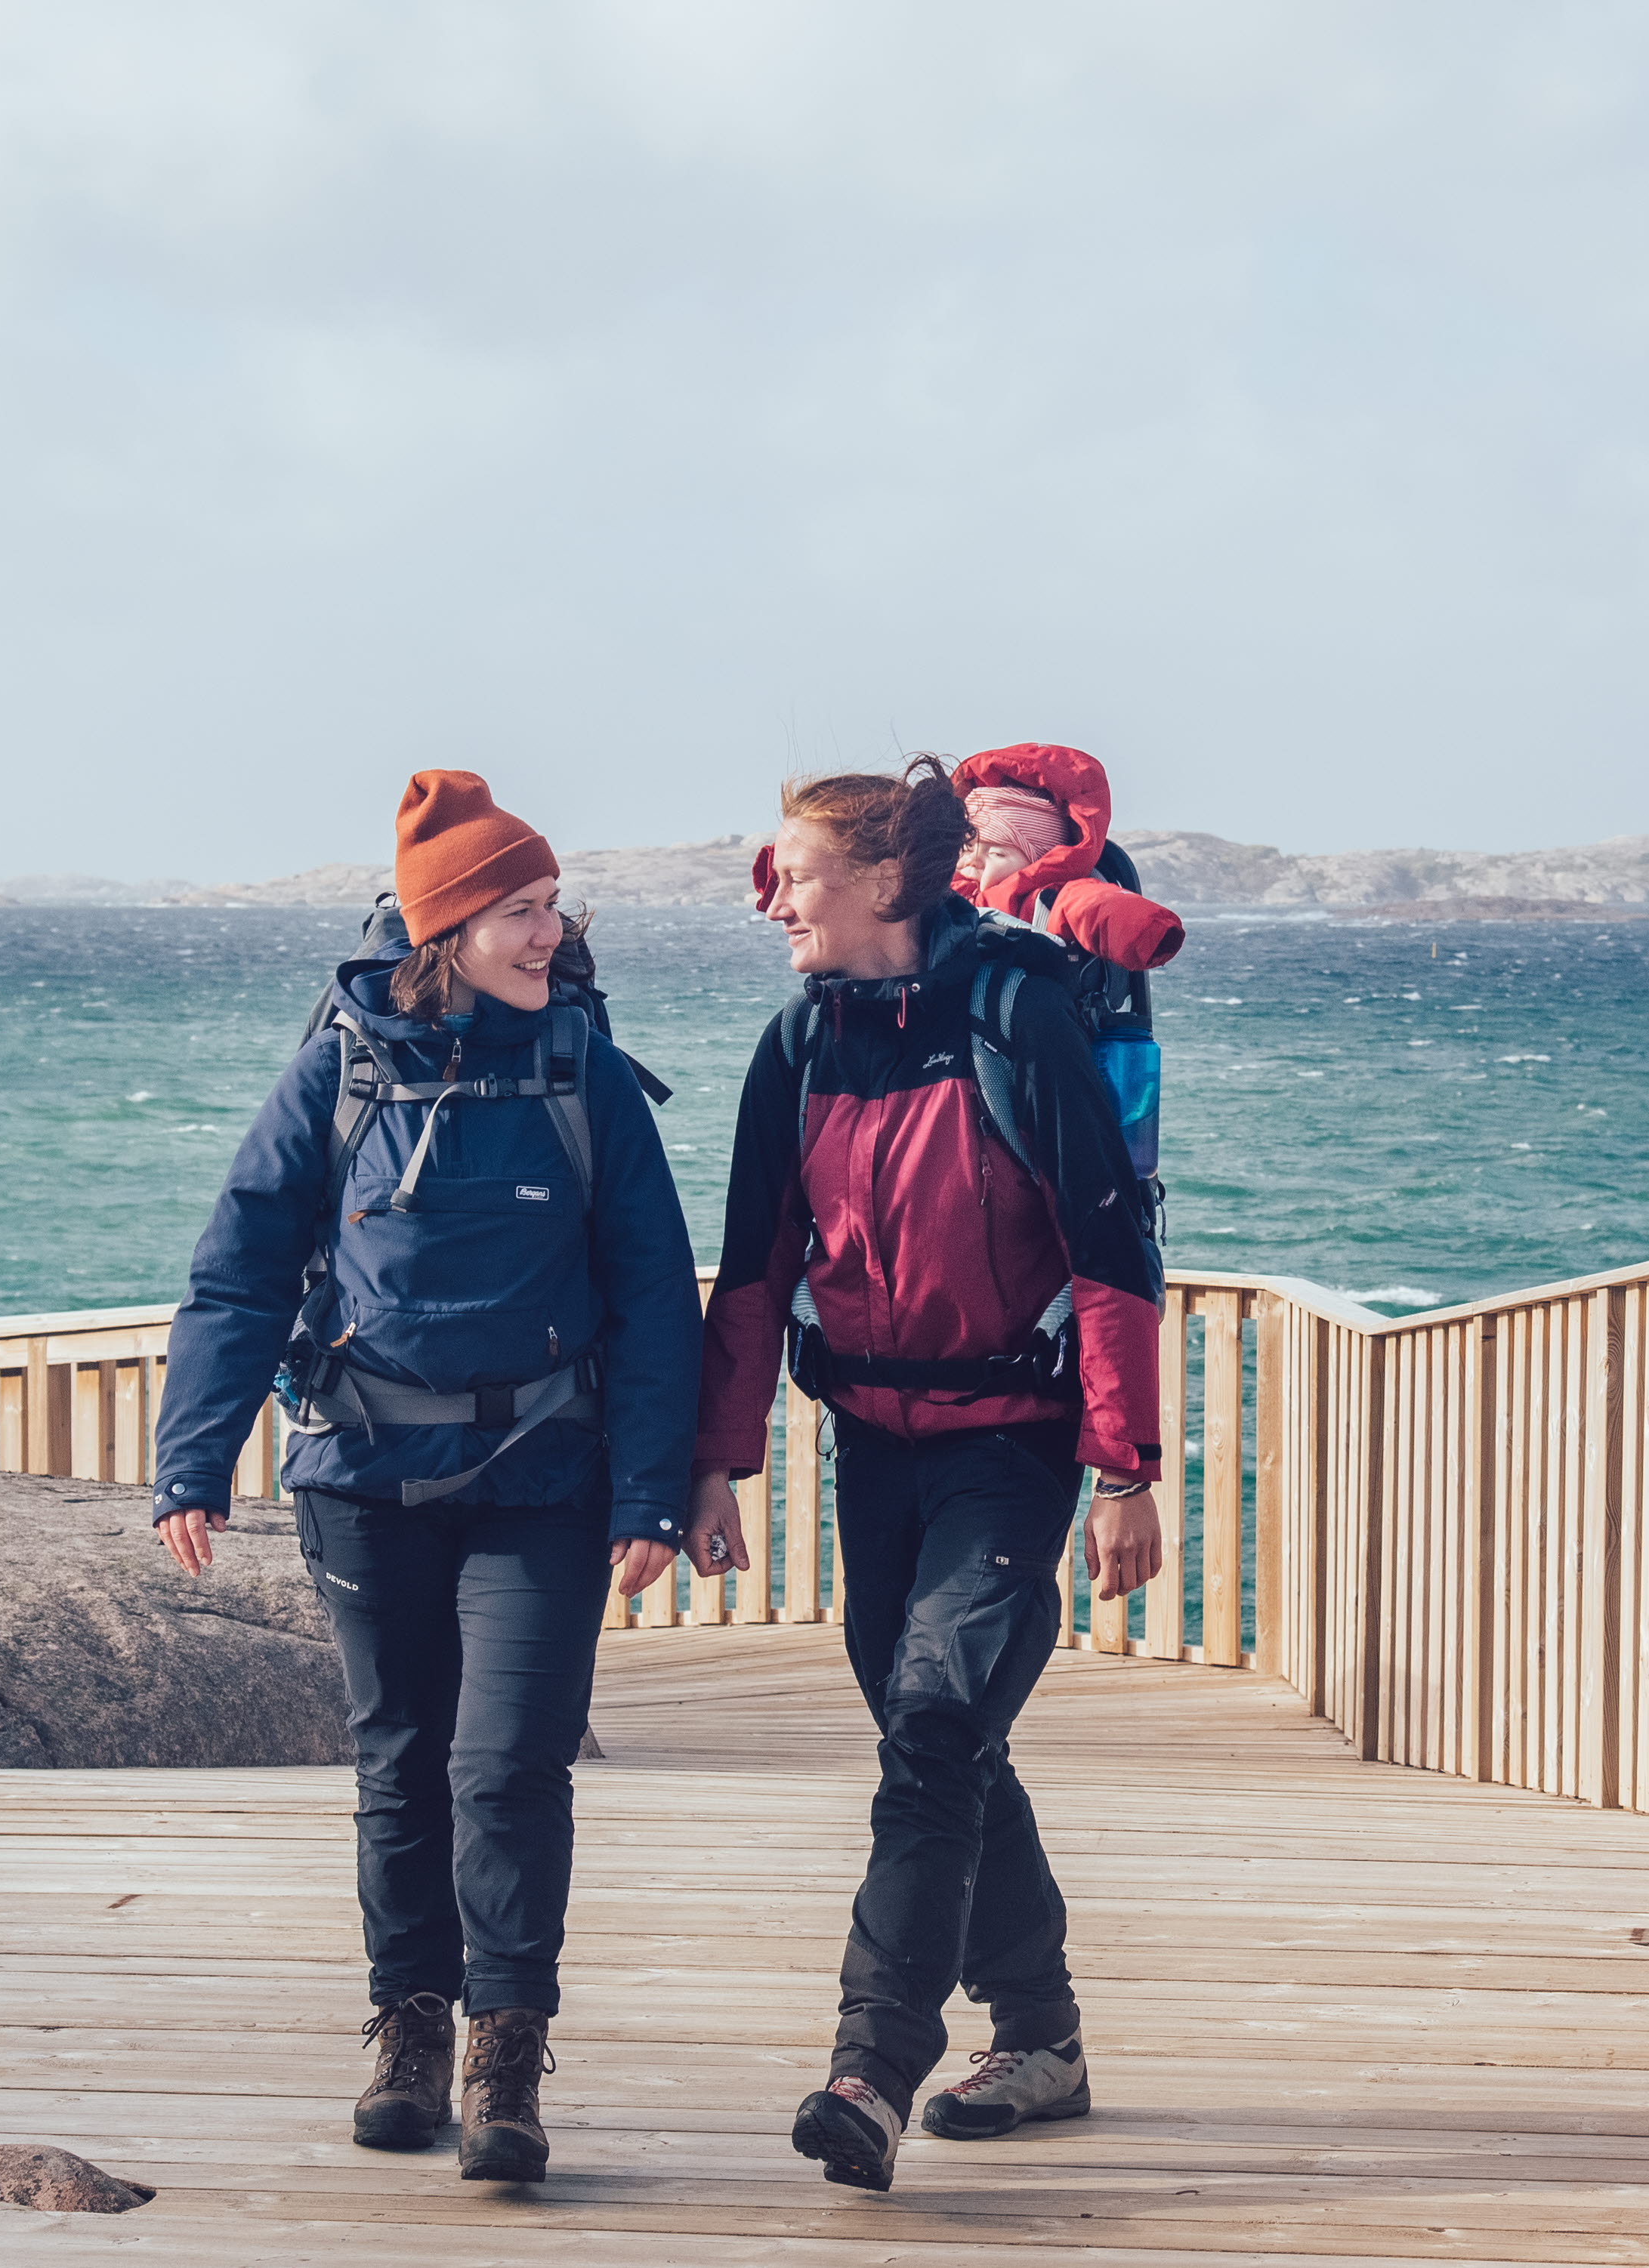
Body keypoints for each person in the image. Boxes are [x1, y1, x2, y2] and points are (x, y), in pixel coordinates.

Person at [147, 770, 732, 2185]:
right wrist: (194, 1457)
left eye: (549, 907)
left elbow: (655, 1288)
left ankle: (504, 2057)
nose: (551, 933)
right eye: (520, 910)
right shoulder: (340, 1067)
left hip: (542, 1476)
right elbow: (238, 1271)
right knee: (399, 1763)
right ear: (447, 928)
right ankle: (406, 2031)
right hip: (359, 1469)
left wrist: (653, 1486)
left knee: (508, 1766)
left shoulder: (579, 1066)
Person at [693, 757, 1166, 2192]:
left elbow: (1106, 1249)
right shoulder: (798, 1040)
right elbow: (758, 1267)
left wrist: (1126, 1469)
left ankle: (869, 2065)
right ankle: (1043, 2037)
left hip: (1009, 1449)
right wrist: (716, 1462)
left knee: (935, 1721)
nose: (772, 892)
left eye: (796, 868)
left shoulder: (1016, 1016)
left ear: (887, 883)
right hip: (871, 1453)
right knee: (942, 1737)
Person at [950, 740, 1187, 974]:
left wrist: (1144, 932)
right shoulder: (941, 887)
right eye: (968, 849)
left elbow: (1094, 906)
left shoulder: (1051, 899)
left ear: (1038, 860)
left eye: (997, 853)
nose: (974, 862)